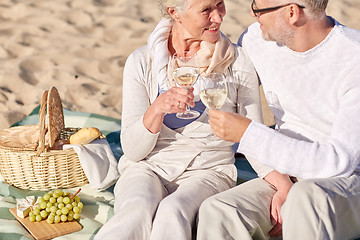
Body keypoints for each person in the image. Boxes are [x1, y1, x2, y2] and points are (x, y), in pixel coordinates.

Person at [94, 0, 263, 239]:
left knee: (173, 212)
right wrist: (156, 110)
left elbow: (253, 135)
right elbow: (132, 151)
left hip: (209, 171)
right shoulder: (142, 62)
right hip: (147, 167)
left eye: (220, 4)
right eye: (206, 10)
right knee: (136, 211)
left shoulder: (236, 61)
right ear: (175, 12)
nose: (218, 17)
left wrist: (280, 184)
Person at [197, 0, 360, 239]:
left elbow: (339, 162)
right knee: (219, 211)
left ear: (292, 12)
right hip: (290, 173)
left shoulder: (354, 58)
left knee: (305, 198)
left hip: (348, 180)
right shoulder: (256, 40)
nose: (253, 15)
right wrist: (282, 182)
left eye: (258, 8)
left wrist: (249, 134)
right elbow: (230, 91)